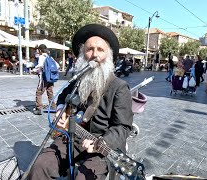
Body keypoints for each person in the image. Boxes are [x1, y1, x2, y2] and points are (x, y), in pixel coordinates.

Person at [28, 24, 133, 179]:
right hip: (74, 137)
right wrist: (61, 109)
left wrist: (102, 143)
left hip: (102, 145)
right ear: (83, 53)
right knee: (40, 166)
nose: (94, 54)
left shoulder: (119, 87)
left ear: (108, 55)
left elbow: (123, 127)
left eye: (100, 50)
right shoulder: (78, 80)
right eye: (90, 49)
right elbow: (63, 95)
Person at [32, 44, 60, 115]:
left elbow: (40, 66)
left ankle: (39, 109)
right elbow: (57, 66)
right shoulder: (49, 57)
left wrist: (33, 70)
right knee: (50, 92)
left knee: (39, 92)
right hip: (50, 78)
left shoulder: (41, 57)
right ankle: (53, 107)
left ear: (40, 50)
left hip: (44, 78)